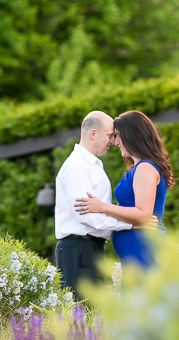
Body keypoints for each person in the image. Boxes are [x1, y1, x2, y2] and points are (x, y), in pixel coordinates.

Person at [75, 109, 174, 270]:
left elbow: (143, 214)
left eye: (118, 135)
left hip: (146, 250)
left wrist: (102, 207)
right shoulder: (137, 168)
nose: (114, 141)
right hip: (136, 254)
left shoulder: (145, 168)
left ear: (132, 136)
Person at [54, 111, 133, 297]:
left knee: (91, 315)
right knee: (80, 315)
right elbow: (87, 217)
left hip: (90, 248)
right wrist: (130, 224)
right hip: (78, 249)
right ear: (93, 134)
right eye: (109, 136)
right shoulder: (77, 166)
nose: (113, 141)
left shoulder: (92, 165)